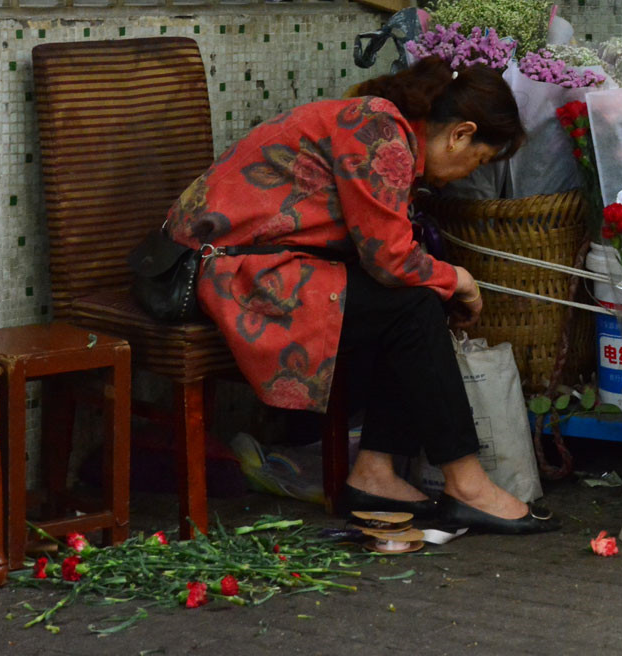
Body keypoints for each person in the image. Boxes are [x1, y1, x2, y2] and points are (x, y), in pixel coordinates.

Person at [166, 56, 556, 534]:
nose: (463, 175)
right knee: (415, 303)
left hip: (258, 263)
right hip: (226, 271)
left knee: (415, 302)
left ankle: (376, 472)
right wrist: (460, 279)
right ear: (460, 133)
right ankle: (465, 483)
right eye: (476, 160)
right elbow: (389, 258)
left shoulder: (383, 125)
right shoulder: (379, 130)